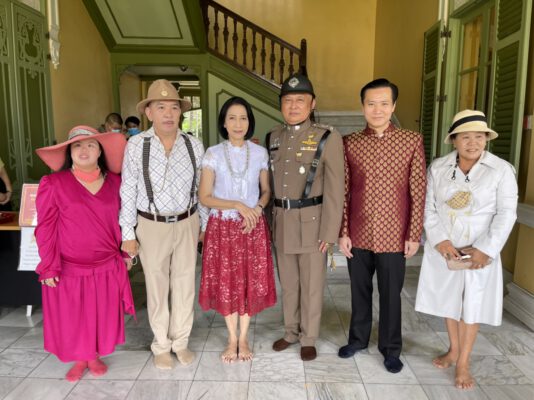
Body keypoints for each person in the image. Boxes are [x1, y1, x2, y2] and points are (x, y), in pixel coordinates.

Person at [415, 110, 518, 389]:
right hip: (446, 248)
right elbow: (427, 207)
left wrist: (487, 248)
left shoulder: (501, 170)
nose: (473, 143)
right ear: (454, 140)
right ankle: (452, 349)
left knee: (472, 303)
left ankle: (463, 362)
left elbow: (506, 213)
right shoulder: (438, 167)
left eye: (478, 137)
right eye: (465, 137)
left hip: (478, 249)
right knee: (449, 299)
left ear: (486, 139)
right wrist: (439, 240)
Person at [338, 78, 426, 373]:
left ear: (393, 106)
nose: (377, 110)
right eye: (371, 104)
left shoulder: (411, 141)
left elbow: (418, 190)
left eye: (384, 104)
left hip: (395, 235)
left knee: (391, 295)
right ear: (363, 106)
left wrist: (413, 234)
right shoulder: (350, 143)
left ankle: (390, 349)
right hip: (358, 232)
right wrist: (343, 231)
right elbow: (344, 191)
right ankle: (358, 339)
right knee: (359, 291)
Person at [34, 126, 135, 382]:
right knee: (74, 318)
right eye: (77, 145)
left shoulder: (116, 183)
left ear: (100, 151)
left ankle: (93, 356)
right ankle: (81, 358)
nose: (84, 150)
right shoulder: (53, 183)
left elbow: (125, 221)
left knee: (101, 315)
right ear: (69, 152)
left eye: (91, 145)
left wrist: (126, 253)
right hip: (69, 267)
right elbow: (45, 227)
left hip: (106, 265)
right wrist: (48, 265)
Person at [120, 79, 208, 369]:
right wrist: (127, 233)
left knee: (185, 284)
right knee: (156, 286)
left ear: (180, 112)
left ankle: (180, 342)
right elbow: (128, 190)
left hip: (187, 220)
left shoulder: (194, 145)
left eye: (174, 107)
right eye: (161, 107)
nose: (168, 113)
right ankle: (161, 345)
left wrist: (204, 225)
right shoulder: (136, 145)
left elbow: (202, 189)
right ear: (149, 113)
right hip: (151, 224)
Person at [268, 73, 345, 361]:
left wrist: (330, 232)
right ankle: (291, 332)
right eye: (288, 100)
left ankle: (308, 337)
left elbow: (336, 188)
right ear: (281, 104)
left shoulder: (327, 137)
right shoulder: (274, 137)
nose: (293, 106)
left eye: (300, 100)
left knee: (311, 285)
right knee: (289, 284)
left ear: (312, 104)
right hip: (282, 222)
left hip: (312, 225)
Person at [198, 96, 277, 363]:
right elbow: (205, 197)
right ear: (223, 122)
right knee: (227, 282)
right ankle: (232, 339)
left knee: (248, 281)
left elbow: (266, 191)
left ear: (249, 122)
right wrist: (237, 204)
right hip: (222, 226)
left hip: (252, 225)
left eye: (243, 118)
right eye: (231, 118)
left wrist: (257, 208)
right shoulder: (213, 153)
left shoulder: (260, 153)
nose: (238, 123)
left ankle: (244, 338)